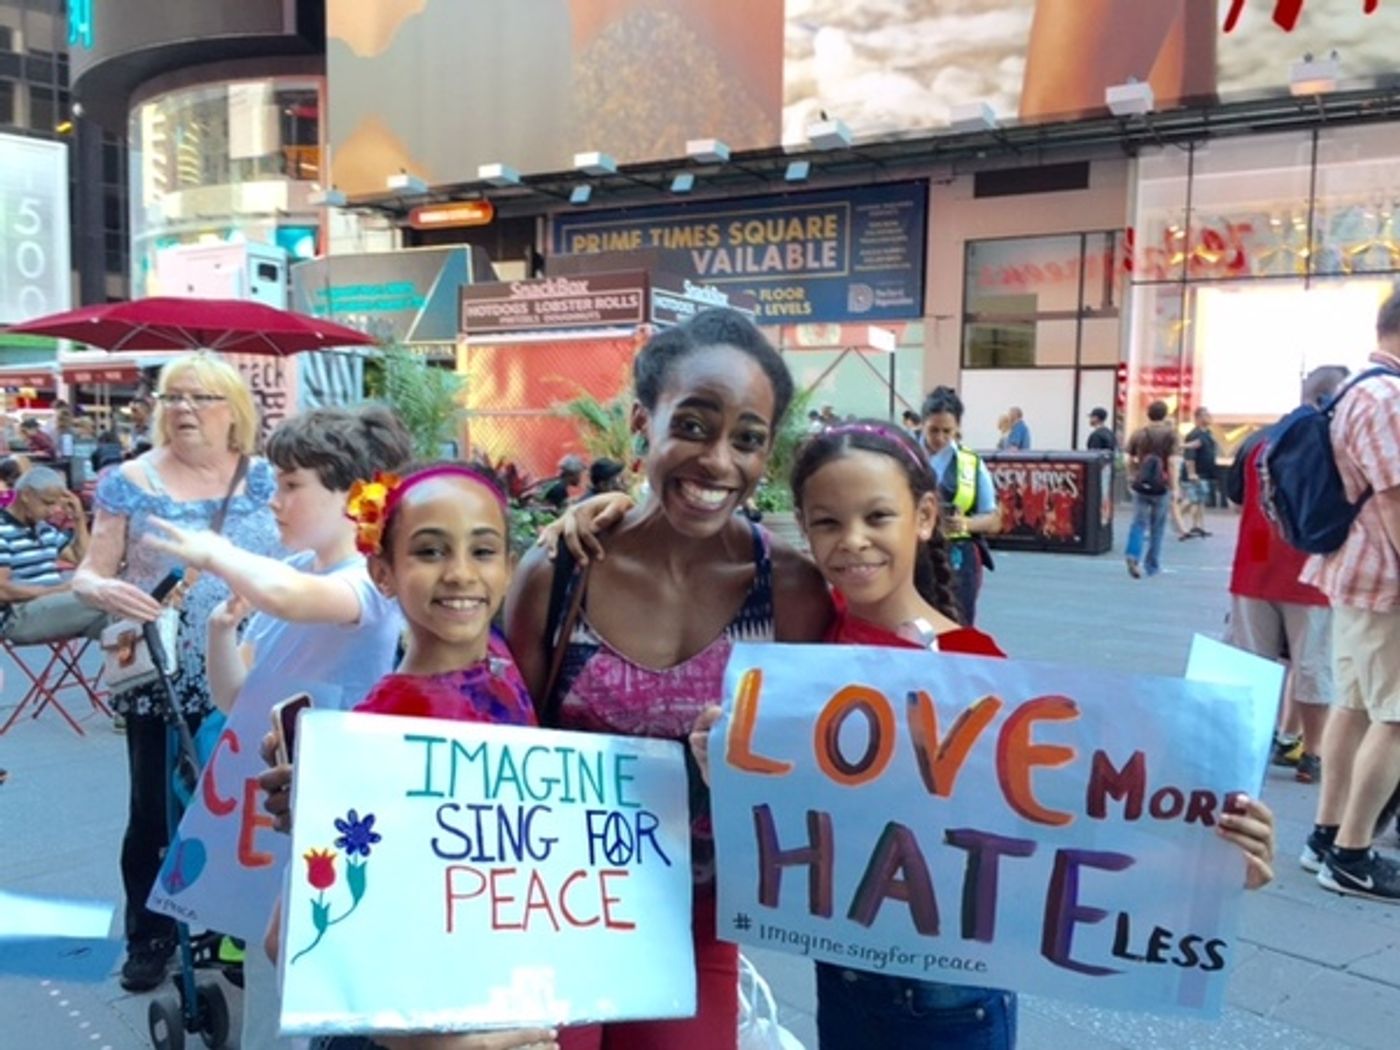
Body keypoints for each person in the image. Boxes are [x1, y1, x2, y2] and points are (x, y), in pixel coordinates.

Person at [687, 420, 1277, 1050]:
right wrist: (724, 759)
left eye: (877, 516)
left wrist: (1204, 863)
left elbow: (1064, 830)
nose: (853, 541)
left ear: (924, 516)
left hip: (952, 1003)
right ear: (804, 529)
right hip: (844, 977)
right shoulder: (810, 648)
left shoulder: (976, 668)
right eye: (827, 523)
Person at [506, 308, 831, 1049]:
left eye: (747, 439)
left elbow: (826, 769)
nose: (719, 460)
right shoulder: (561, 572)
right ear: (639, 425)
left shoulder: (791, 593)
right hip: (550, 911)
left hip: (700, 921)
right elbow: (488, 737)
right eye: (693, 424)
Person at [260, 461, 562, 1050]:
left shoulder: (501, 659)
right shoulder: (376, 730)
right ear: (383, 572)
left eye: (483, 551)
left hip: (486, 992)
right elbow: (290, 939)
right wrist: (429, 1046)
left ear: (508, 566)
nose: (459, 574)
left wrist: (604, 507)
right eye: (429, 552)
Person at [139, 405, 414, 1050]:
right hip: (277, 805)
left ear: (352, 495)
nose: (276, 501)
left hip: (335, 804)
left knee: (303, 955)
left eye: (292, 485)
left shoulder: (366, 585)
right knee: (278, 953)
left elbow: (292, 600)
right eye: (275, 483)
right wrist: (219, 631)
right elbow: (236, 692)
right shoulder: (297, 578)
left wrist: (218, 551)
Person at [72, 353, 282, 992]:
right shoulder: (127, 480)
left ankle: (224, 928)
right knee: (157, 813)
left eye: (201, 398)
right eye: (172, 398)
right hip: (162, 672)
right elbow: (87, 573)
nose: (184, 409)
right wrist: (105, 594)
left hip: (253, 667)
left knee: (243, 805)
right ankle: (151, 933)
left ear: (234, 411)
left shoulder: (269, 479)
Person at [1299, 292, 1400, 902]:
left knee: (1355, 706)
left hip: (1351, 575)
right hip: (1385, 583)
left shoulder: (1358, 389)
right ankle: (1353, 854)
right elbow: (1394, 499)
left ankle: (1326, 834)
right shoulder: (1389, 399)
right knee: (1395, 717)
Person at [1224, 369, 1349, 788]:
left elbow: (1235, 496)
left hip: (1252, 567)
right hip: (1309, 574)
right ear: (1332, 395)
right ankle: (1312, 755)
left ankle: (1247, 749)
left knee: (1251, 668)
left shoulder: (1260, 439)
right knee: (1313, 667)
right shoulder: (1334, 440)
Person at [919, 386, 1001, 624]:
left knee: (958, 623)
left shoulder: (970, 463)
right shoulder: (906, 457)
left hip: (957, 557)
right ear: (922, 424)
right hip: (912, 553)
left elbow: (992, 518)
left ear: (957, 429)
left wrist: (965, 524)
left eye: (948, 431)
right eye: (933, 430)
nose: (940, 438)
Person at [0, 466, 105, 644]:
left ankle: (138, 668)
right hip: (19, 615)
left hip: (53, 607)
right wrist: (52, 591)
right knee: (113, 600)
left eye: (56, 504)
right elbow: (2, 590)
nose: (53, 510)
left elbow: (85, 561)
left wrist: (79, 519)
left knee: (123, 619)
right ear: (26, 495)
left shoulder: (44, 528)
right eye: (47, 503)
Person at [1123, 400, 1181, 579]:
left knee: (1138, 522)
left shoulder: (1139, 433)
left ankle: (1133, 555)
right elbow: (1172, 462)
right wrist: (1174, 487)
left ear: (1148, 414)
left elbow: (1127, 459)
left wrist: (1132, 476)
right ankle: (1152, 565)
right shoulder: (1172, 434)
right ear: (1165, 414)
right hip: (1161, 486)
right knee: (1157, 526)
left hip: (1142, 484)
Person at [1180, 405, 1218, 538]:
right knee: (1192, 499)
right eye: (1206, 415)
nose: (1209, 417)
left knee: (1200, 500)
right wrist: (1191, 473)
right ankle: (1176, 517)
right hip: (1196, 474)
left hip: (1204, 473)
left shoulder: (1207, 434)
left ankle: (1198, 526)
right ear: (1198, 418)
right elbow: (1190, 455)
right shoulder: (1194, 434)